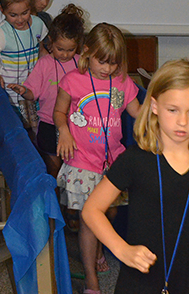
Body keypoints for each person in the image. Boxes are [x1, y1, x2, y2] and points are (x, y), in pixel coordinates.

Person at [82, 59, 189, 294]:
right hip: (141, 275)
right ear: (154, 106)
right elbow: (91, 210)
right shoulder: (135, 159)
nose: (182, 121)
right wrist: (122, 249)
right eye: (173, 110)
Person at [53, 22, 141, 294]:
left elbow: (138, 114)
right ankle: (91, 278)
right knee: (91, 219)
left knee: (109, 212)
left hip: (112, 161)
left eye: (113, 63)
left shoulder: (123, 82)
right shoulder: (72, 81)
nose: (107, 69)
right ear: (87, 52)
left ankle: (98, 248)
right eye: (102, 62)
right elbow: (58, 112)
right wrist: (65, 132)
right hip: (82, 160)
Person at [7, 3, 85, 180]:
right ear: (50, 41)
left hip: (75, 125)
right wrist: (23, 90)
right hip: (49, 123)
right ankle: (56, 202)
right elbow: (32, 91)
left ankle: (69, 203)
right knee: (54, 169)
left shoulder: (81, 64)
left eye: (70, 50)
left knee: (72, 168)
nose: (65, 55)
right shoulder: (44, 64)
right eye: (60, 49)